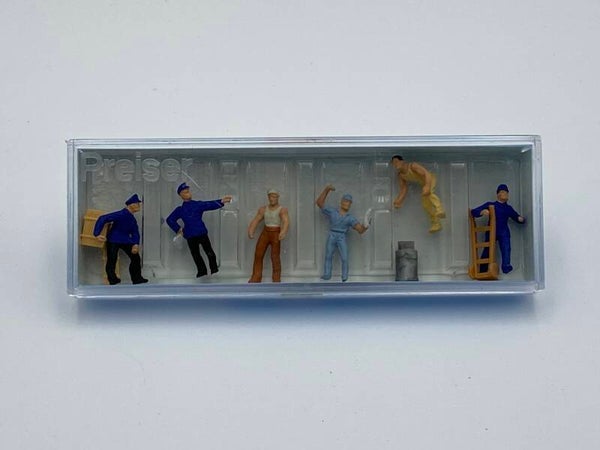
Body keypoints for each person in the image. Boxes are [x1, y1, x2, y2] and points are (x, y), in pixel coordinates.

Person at [166, 183, 233, 277]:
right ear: (181, 195)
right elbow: (170, 220)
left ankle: (214, 269)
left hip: (201, 233)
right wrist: (178, 229)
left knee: (209, 252)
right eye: (185, 192)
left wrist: (221, 201)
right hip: (190, 235)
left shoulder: (197, 204)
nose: (188, 193)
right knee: (196, 255)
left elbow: (208, 205)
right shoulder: (180, 209)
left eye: (188, 191)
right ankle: (202, 271)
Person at [315, 184, 368, 282]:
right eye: (346, 201)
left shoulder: (350, 218)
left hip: (341, 237)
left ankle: (344, 276)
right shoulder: (333, 212)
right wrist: (326, 190)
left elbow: (360, 230)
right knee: (328, 255)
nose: (347, 204)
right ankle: (327, 274)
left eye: (349, 202)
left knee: (345, 257)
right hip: (332, 235)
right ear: (342, 202)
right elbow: (319, 203)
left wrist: (366, 225)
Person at [93, 193, 148, 285]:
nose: (139, 206)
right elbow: (103, 218)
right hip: (113, 240)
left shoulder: (132, 218)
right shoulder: (121, 214)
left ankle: (137, 278)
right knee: (112, 260)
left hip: (126, 240)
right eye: (137, 204)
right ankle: (112, 279)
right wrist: (97, 234)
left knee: (136, 258)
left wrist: (135, 244)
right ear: (131, 205)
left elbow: (135, 231)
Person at [471, 184, 526, 274]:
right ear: (498, 194)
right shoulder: (491, 205)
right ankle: (483, 269)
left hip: (503, 231)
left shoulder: (508, 208)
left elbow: (515, 216)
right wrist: (482, 212)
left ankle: (506, 266)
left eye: (507, 193)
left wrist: (520, 219)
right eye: (504, 192)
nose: (506, 194)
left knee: (506, 248)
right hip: (492, 230)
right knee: (487, 249)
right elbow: (474, 211)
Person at [391, 155, 446, 233]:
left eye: (396, 162)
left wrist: (427, 185)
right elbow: (403, 189)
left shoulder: (412, 166)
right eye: (393, 163)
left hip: (429, 179)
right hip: (423, 184)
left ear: (402, 161)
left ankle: (440, 209)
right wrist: (399, 200)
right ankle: (436, 223)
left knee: (430, 194)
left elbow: (426, 173)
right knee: (426, 204)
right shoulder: (401, 176)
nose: (395, 164)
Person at [247, 189, 290, 283]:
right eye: (270, 197)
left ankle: (276, 279)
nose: (271, 199)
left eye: (274, 197)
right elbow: (256, 220)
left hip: (276, 233)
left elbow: (286, 221)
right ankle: (256, 277)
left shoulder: (282, 210)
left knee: (275, 257)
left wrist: (283, 231)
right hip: (265, 232)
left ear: (277, 198)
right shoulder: (263, 209)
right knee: (258, 254)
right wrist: (251, 230)